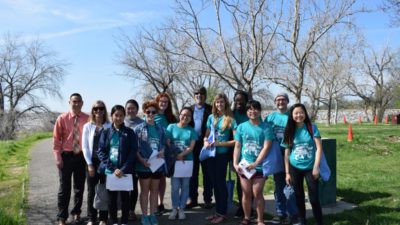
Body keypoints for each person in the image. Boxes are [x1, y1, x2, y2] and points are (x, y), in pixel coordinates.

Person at [282, 103, 323, 225]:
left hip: (311, 168)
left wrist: (316, 167)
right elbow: (287, 152)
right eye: (296, 113)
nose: (299, 115)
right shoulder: (289, 130)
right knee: (299, 197)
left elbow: (319, 149)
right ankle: (302, 221)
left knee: (314, 198)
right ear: (292, 115)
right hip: (295, 168)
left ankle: (319, 222)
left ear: (305, 114)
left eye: (301, 112)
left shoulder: (312, 127)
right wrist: (287, 173)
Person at [233, 100, 273, 225]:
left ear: (260, 111)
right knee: (246, 193)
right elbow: (238, 146)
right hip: (244, 166)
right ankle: (246, 217)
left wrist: (255, 163)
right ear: (247, 112)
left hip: (260, 166)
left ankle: (260, 220)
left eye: (255, 109)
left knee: (257, 193)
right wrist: (235, 163)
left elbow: (267, 147)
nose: (252, 111)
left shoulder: (266, 127)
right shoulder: (241, 127)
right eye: (249, 109)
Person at [97, 105, 137, 225]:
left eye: (121, 115)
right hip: (111, 171)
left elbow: (133, 151)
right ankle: (114, 221)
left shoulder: (129, 132)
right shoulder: (106, 132)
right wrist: (113, 168)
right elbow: (100, 151)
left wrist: (123, 169)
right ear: (112, 116)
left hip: (125, 172)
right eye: (116, 115)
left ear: (124, 116)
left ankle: (124, 221)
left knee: (125, 198)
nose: (118, 118)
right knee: (112, 199)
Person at [53, 93, 89, 225]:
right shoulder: (62, 118)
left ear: (82, 103)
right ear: (69, 102)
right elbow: (56, 140)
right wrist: (58, 158)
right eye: (74, 101)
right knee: (64, 188)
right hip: (66, 156)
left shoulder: (87, 118)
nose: (76, 104)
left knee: (79, 187)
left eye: (79, 101)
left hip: (81, 157)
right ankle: (62, 217)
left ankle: (76, 213)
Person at [264, 93, 299, 224]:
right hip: (276, 155)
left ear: (287, 101)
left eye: (283, 99)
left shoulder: (292, 116)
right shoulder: (270, 118)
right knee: (279, 185)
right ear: (275, 102)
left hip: (291, 154)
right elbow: (264, 135)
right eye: (278, 100)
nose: (280, 102)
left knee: (291, 185)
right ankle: (281, 213)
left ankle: (293, 213)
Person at [204, 93, 237, 224]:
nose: (219, 104)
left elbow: (235, 141)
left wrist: (220, 143)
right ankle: (217, 211)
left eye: (221, 102)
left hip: (222, 155)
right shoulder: (211, 117)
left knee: (220, 184)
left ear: (226, 103)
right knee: (214, 184)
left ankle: (222, 213)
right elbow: (206, 135)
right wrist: (206, 141)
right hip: (210, 154)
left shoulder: (230, 119)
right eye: (217, 102)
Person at [134, 101, 166, 225]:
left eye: (153, 112)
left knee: (154, 191)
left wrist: (162, 151)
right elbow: (135, 148)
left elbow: (163, 144)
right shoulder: (138, 129)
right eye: (148, 112)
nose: (151, 114)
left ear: (156, 113)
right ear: (144, 112)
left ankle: (152, 214)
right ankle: (144, 215)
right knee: (144, 191)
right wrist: (142, 160)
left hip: (156, 165)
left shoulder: (160, 129)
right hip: (143, 165)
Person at [82, 100, 111, 225]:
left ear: (104, 110)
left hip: (105, 162)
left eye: (101, 108)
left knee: (105, 189)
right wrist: (89, 164)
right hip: (92, 161)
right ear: (92, 111)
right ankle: (92, 218)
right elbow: (85, 147)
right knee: (91, 191)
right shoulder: (88, 126)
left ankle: (103, 218)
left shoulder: (110, 126)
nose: (98, 111)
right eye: (95, 109)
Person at [166, 107, 198, 220]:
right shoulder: (171, 127)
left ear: (191, 118)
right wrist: (177, 155)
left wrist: (181, 155)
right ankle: (174, 208)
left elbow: (191, 147)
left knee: (185, 186)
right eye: (183, 114)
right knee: (175, 187)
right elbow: (168, 143)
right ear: (179, 115)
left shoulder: (191, 130)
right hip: (174, 162)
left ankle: (182, 209)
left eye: (188, 115)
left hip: (186, 162)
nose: (185, 117)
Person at [188, 86, 213, 209]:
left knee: (207, 173)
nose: (199, 95)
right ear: (194, 95)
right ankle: (192, 199)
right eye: (196, 93)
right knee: (193, 173)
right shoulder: (189, 109)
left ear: (205, 95)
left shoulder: (211, 109)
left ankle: (208, 199)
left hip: (206, 145)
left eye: (202, 93)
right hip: (192, 145)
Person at [154, 93, 177, 215]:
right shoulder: (152, 115)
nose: (163, 103)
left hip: (167, 152)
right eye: (161, 101)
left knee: (162, 178)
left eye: (166, 102)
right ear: (157, 102)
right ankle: (153, 204)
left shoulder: (171, 117)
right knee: (154, 179)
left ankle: (160, 203)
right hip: (154, 152)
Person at [124, 99, 144, 221]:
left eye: (133, 108)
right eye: (128, 108)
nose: (130, 110)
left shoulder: (142, 122)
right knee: (124, 186)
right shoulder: (121, 120)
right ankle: (123, 210)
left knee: (134, 186)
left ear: (137, 109)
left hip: (138, 158)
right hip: (124, 159)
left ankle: (131, 210)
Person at [231, 90, 250, 218]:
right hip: (236, 152)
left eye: (241, 100)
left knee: (250, 180)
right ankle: (242, 208)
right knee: (240, 181)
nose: (239, 102)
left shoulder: (251, 114)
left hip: (249, 152)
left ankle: (249, 208)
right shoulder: (232, 114)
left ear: (246, 101)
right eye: (236, 100)